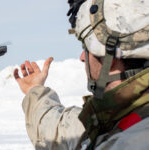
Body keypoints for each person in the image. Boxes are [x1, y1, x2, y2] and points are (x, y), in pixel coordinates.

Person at [14, 0, 149, 149]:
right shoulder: (110, 119)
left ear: (107, 59)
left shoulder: (128, 142)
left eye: (87, 48)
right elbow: (61, 132)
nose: (82, 57)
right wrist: (35, 89)